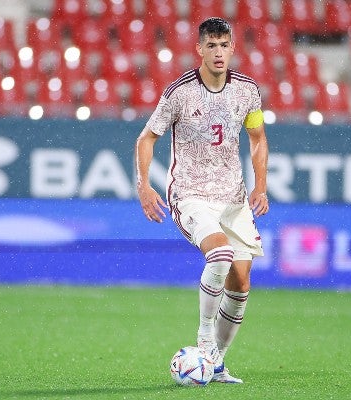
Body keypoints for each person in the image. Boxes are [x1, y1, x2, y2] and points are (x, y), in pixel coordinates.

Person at [135, 17, 269, 384]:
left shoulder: (247, 91)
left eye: (224, 45)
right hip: (190, 194)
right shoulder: (179, 92)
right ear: (199, 49)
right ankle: (204, 337)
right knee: (221, 255)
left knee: (240, 284)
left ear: (233, 48)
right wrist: (143, 185)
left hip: (234, 198)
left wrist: (260, 186)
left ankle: (216, 362)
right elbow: (147, 138)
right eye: (211, 45)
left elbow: (257, 137)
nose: (218, 52)